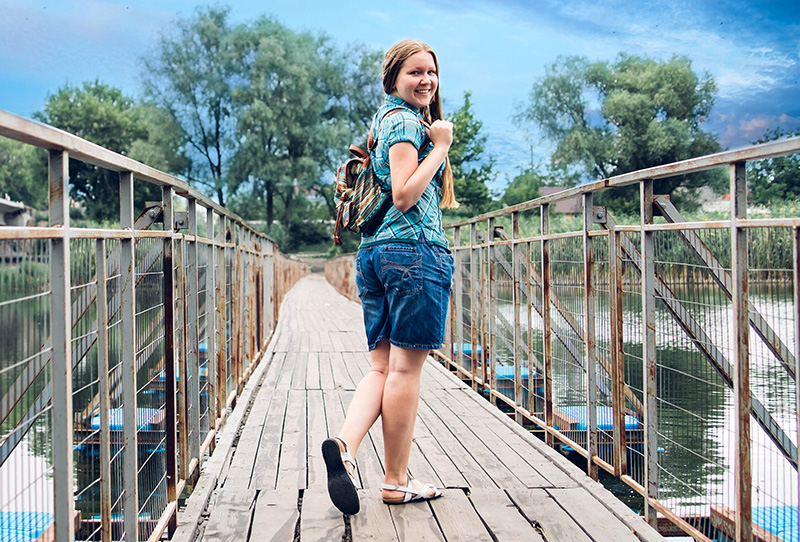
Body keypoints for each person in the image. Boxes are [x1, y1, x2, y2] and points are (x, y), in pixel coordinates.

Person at [322, 39, 458, 515]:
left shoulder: (384, 123)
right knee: (403, 371)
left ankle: (343, 446)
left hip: (375, 254)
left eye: (432, 73)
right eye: (415, 72)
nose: (425, 81)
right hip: (413, 253)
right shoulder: (402, 121)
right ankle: (396, 481)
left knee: (382, 368)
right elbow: (403, 194)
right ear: (393, 79)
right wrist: (440, 148)